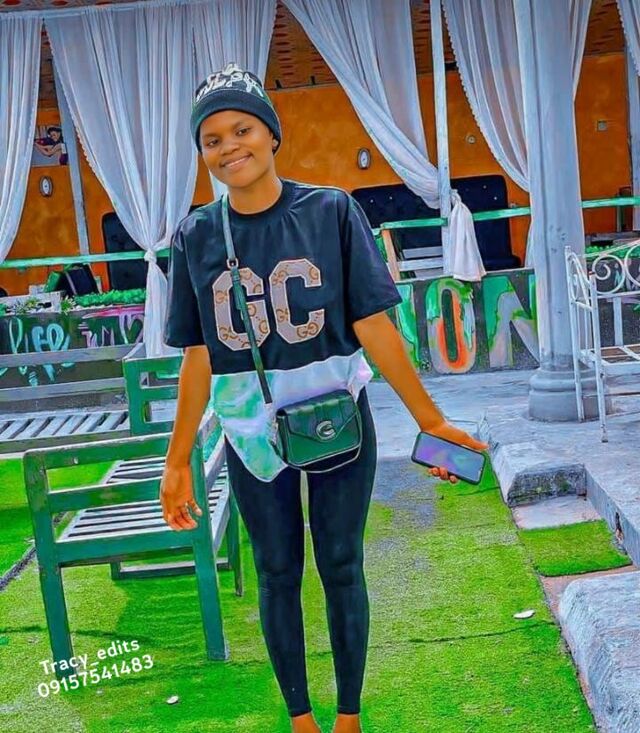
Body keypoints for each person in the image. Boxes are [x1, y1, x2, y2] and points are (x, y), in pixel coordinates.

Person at [160, 63, 488, 733]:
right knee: (277, 571)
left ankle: (348, 716)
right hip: (252, 430)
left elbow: (373, 323)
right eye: (212, 139)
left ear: (271, 133)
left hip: (337, 414)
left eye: (242, 129)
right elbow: (198, 355)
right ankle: (301, 719)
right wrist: (176, 460)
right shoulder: (196, 235)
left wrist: (430, 419)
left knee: (341, 563)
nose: (229, 148)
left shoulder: (331, 210)